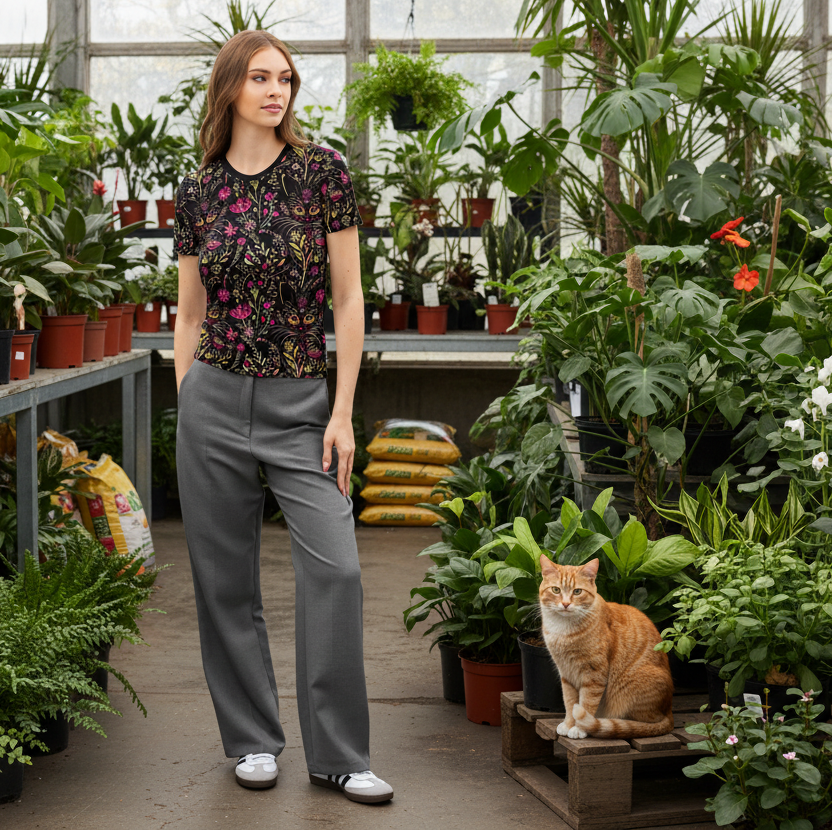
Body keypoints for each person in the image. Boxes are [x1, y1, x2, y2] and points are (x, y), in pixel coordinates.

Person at [173, 29, 392, 804]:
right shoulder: (198, 189)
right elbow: (190, 311)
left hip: (303, 402)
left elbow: (348, 298)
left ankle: (337, 754)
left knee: (336, 570)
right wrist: (188, 395)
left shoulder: (322, 174)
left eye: (287, 79)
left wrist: (343, 412)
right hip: (214, 402)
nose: (278, 92)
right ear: (230, 86)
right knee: (223, 582)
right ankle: (253, 741)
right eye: (261, 78)